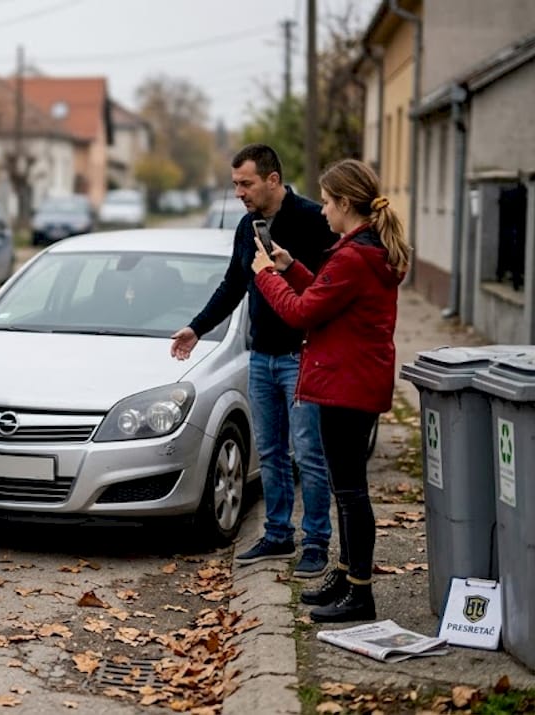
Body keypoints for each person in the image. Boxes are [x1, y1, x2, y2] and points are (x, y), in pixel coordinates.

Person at [250, 158, 408, 622]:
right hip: (352, 380)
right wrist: (292, 266)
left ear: (344, 203)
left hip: (348, 384)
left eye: (326, 202)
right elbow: (325, 296)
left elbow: (301, 314)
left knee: (352, 493)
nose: (321, 212)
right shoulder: (361, 250)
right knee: (347, 490)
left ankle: (360, 593)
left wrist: (266, 275)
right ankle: (345, 574)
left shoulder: (355, 256)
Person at [170, 144, 335, 578]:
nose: (239, 192)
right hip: (261, 357)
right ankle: (278, 534)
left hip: (303, 357)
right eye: (235, 184)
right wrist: (196, 328)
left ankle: (316, 541)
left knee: (308, 454)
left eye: (246, 183)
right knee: (271, 451)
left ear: (272, 180)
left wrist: (292, 267)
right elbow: (232, 286)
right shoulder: (247, 228)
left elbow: (329, 289)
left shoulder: (315, 220)